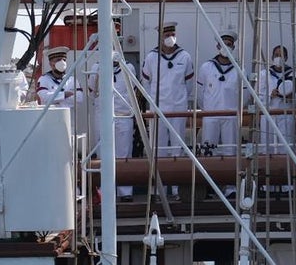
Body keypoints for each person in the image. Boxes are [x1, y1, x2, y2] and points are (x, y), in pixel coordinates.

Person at [141, 21, 195, 200]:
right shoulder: (151, 57)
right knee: (158, 148)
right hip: (158, 107)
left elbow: (188, 84)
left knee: (177, 148)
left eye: (172, 34)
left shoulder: (185, 56)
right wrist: (153, 101)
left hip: (178, 107)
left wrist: (180, 99)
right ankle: (158, 189)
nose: (169, 38)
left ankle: (176, 189)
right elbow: (146, 82)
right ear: (160, 37)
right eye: (166, 35)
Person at [88, 24, 137, 201]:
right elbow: (91, 91)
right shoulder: (96, 69)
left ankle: (125, 192)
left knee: (124, 154)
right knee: (103, 154)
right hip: (102, 116)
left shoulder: (128, 68)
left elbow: (133, 92)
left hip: (123, 116)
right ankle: (106, 192)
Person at [197, 29, 241, 197]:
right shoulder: (207, 67)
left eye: (229, 44)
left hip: (230, 115)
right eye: (223, 44)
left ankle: (231, 187)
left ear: (233, 46)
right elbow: (200, 93)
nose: (226, 47)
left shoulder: (238, 69)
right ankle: (210, 186)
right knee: (209, 151)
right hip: (211, 115)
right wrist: (207, 109)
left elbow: (243, 96)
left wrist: (233, 110)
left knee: (230, 151)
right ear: (217, 46)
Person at [255, 45, 296, 164]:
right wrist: (270, 95)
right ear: (272, 57)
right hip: (268, 115)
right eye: (276, 55)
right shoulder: (264, 74)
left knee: (286, 147)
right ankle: (267, 179)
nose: (279, 58)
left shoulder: (294, 75)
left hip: (286, 115)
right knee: (267, 147)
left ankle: (285, 180)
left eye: (281, 55)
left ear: (286, 57)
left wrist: (290, 97)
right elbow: (257, 96)